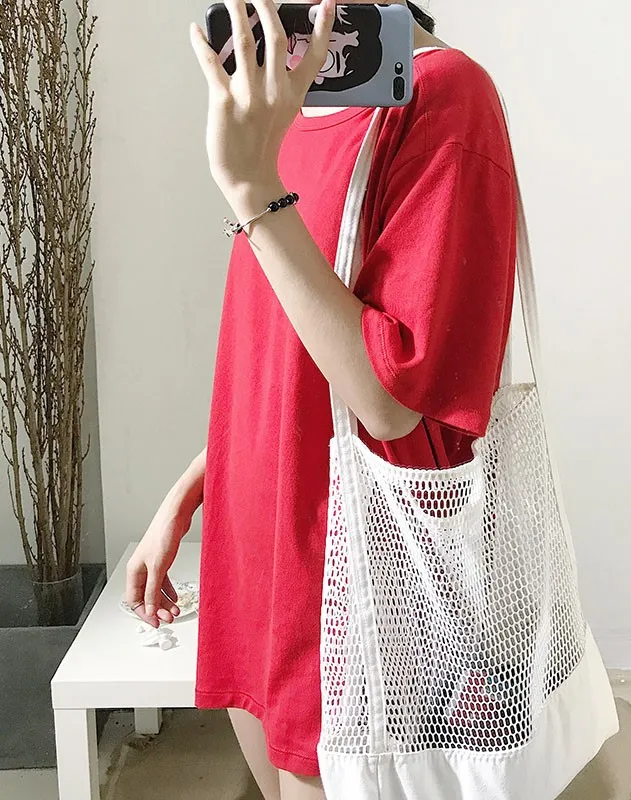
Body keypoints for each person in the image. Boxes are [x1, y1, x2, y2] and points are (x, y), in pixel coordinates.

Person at [125, 0, 517, 797]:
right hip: (255, 542)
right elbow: (288, 355)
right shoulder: (290, 106)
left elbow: (388, 402)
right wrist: (194, 487)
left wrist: (250, 189)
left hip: (353, 572)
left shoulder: (446, 98)